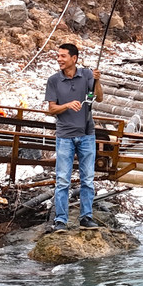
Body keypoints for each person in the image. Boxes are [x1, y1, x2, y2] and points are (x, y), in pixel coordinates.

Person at [45, 43, 104, 232]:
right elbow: (51, 109)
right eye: (58, 56)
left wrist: (97, 81)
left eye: (63, 56)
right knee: (63, 179)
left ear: (74, 58)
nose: (59, 59)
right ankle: (60, 220)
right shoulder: (54, 80)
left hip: (87, 134)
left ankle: (86, 217)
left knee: (88, 179)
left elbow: (99, 98)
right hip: (64, 136)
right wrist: (68, 105)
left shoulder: (87, 75)